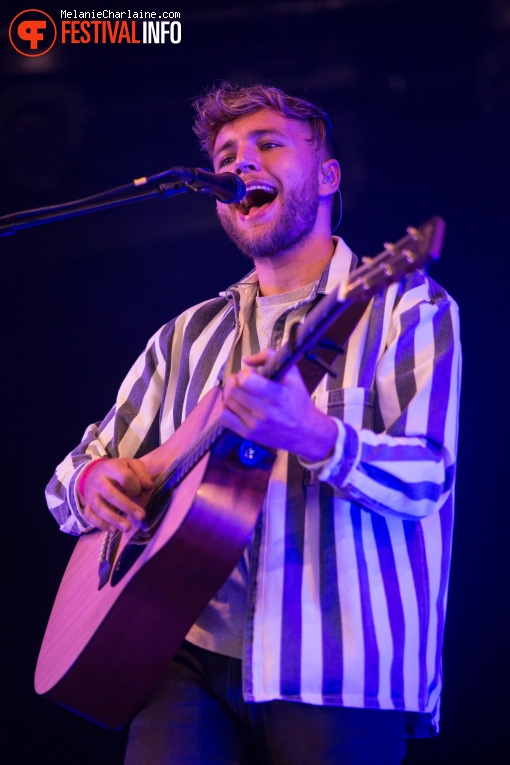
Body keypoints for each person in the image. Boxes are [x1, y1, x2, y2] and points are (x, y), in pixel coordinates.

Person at [46, 83, 461, 765]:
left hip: (338, 664)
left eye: (268, 145)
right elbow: (70, 479)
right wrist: (96, 481)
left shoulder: (407, 307)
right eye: (227, 153)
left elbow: (426, 481)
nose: (241, 163)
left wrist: (313, 435)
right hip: (178, 651)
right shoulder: (183, 337)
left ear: (327, 176)